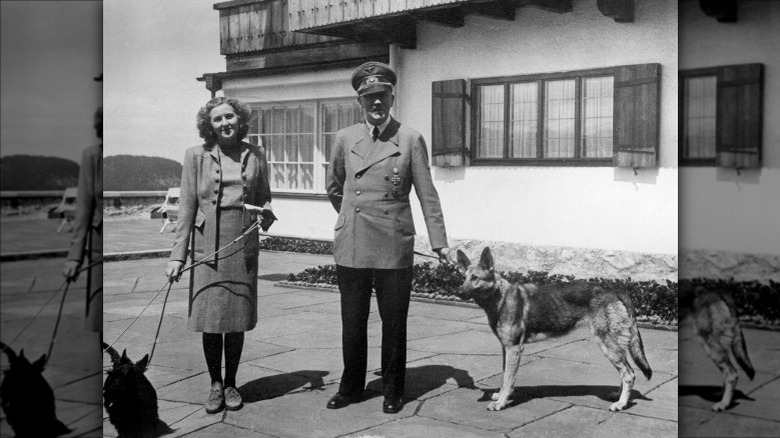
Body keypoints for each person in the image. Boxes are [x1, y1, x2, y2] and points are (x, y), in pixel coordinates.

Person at [326, 61, 452, 414]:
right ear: (359, 101)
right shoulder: (345, 138)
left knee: (393, 322)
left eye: (382, 95)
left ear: (392, 96)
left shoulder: (410, 138)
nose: (376, 103)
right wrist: (352, 215)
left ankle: (394, 389)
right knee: (352, 320)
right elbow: (335, 187)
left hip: (393, 244)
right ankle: (351, 387)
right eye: (369, 97)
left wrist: (439, 242)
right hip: (352, 241)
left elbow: (428, 195)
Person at [165, 97, 272, 414]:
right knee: (211, 321)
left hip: (241, 246)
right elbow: (186, 209)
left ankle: (231, 383)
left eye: (230, 117)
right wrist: (177, 257)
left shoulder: (256, 154)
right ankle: (214, 384)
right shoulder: (195, 156)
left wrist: (265, 214)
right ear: (208, 125)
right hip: (206, 246)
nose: (225, 123)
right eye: (217, 119)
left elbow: (264, 198)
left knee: (236, 319)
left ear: (240, 120)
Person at [63, 106, 103, 337]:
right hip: (99, 245)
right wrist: (74, 257)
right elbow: (83, 209)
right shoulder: (92, 156)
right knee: (100, 317)